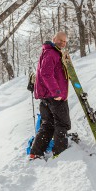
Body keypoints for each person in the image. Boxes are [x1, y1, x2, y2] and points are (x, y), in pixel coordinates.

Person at [30, 31, 71, 159]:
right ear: (54, 39)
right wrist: (56, 92)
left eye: (65, 41)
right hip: (54, 97)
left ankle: (35, 153)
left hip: (47, 96)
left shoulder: (51, 52)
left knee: (48, 124)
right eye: (60, 40)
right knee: (62, 123)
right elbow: (46, 74)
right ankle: (60, 153)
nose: (63, 43)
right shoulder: (51, 53)